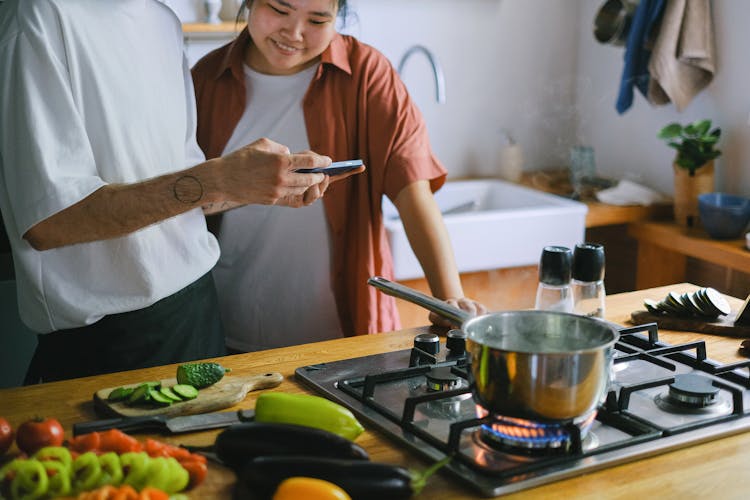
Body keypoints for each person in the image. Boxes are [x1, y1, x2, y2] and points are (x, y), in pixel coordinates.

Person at [0, 0, 358, 383]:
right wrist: (219, 178)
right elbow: (49, 222)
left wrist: (254, 186)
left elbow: (180, 192)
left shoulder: (164, 22)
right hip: (107, 342)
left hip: (198, 314)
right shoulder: (39, 16)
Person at [191, 0, 486, 352]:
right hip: (225, 330)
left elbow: (413, 193)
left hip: (345, 339)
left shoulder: (366, 74)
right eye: (280, 10)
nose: (295, 33)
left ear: (338, 18)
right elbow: (183, 201)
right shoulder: (204, 80)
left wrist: (450, 300)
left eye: (317, 19)